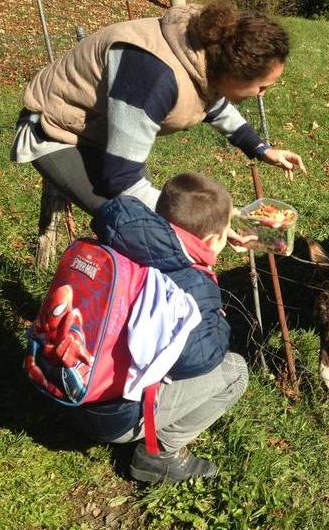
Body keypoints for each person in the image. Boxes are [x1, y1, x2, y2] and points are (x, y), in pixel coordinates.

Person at [10, 0, 306, 216]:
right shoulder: (151, 75)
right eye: (261, 86)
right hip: (57, 130)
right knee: (134, 224)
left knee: (146, 224)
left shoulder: (207, 56)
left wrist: (262, 149)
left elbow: (212, 104)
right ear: (234, 72)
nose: (262, 95)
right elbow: (120, 179)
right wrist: (211, 222)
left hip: (104, 133)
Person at [74, 172, 250, 483]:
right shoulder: (193, 284)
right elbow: (200, 359)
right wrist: (219, 321)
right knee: (235, 371)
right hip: (113, 417)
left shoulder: (123, 232)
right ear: (211, 240)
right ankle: (159, 457)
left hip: (76, 380)